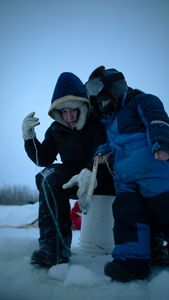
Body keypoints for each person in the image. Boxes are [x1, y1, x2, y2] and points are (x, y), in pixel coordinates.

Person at [84, 65, 169, 282]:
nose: (100, 103)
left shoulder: (141, 101)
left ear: (114, 87)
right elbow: (114, 144)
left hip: (154, 173)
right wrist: (103, 151)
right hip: (125, 181)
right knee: (128, 218)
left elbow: (157, 119)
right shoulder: (110, 121)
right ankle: (132, 262)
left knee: (165, 212)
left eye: (101, 96)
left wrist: (162, 142)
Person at [22, 71, 114, 268]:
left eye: (73, 110)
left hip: (101, 179)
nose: (69, 116)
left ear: (82, 106)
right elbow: (43, 158)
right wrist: (29, 138)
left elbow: (101, 151)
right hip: (73, 180)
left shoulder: (97, 124)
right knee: (48, 176)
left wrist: (90, 171)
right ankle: (54, 249)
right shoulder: (56, 129)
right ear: (58, 113)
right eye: (64, 112)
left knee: (54, 176)